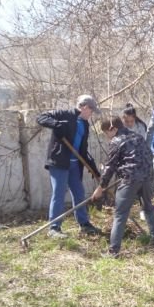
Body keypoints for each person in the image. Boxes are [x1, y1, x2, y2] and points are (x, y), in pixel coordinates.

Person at [91, 116, 154, 257]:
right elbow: (148, 156)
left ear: (113, 129)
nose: (107, 137)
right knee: (148, 207)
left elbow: (109, 167)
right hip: (147, 177)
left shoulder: (116, 141)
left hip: (130, 180)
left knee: (120, 214)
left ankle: (113, 251)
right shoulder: (138, 137)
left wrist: (100, 188)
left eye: (106, 133)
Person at [36, 94, 102, 238]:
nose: (91, 114)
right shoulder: (64, 114)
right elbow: (41, 117)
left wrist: (93, 169)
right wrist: (56, 124)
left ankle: (84, 224)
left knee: (79, 193)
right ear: (85, 107)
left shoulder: (85, 124)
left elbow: (83, 150)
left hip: (74, 164)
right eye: (91, 111)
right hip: (59, 162)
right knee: (59, 193)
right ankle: (54, 228)